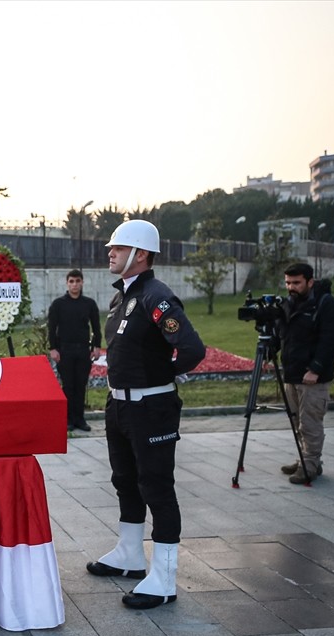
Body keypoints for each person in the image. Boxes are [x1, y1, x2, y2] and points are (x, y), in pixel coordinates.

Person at [85, 220, 205, 610]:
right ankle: (130, 554)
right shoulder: (123, 296)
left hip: (151, 408)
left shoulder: (158, 297)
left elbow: (190, 349)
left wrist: (163, 376)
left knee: (156, 486)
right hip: (119, 405)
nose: (110, 253)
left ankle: (164, 576)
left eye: (118, 248)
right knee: (125, 480)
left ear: (140, 254)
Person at [277, 262, 334, 485]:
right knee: (297, 421)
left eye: (296, 282)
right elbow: (284, 335)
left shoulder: (327, 304)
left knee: (310, 422)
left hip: (313, 376)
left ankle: (310, 464)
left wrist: (316, 368)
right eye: (287, 283)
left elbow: (331, 340)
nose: (291, 287)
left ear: (310, 281)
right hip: (292, 373)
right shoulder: (289, 303)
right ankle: (304, 458)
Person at [48, 269, 102, 432]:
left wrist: (96, 347)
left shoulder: (89, 304)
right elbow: (52, 328)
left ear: (82, 283)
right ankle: (69, 420)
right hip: (64, 350)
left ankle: (80, 419)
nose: (75, 284)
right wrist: (53, 349)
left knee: (80, 385)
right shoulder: (58, 304)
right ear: (67, 283)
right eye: (71, 281)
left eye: (78, 281)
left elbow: (96, 327)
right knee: (68, 386)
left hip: (83, 350)